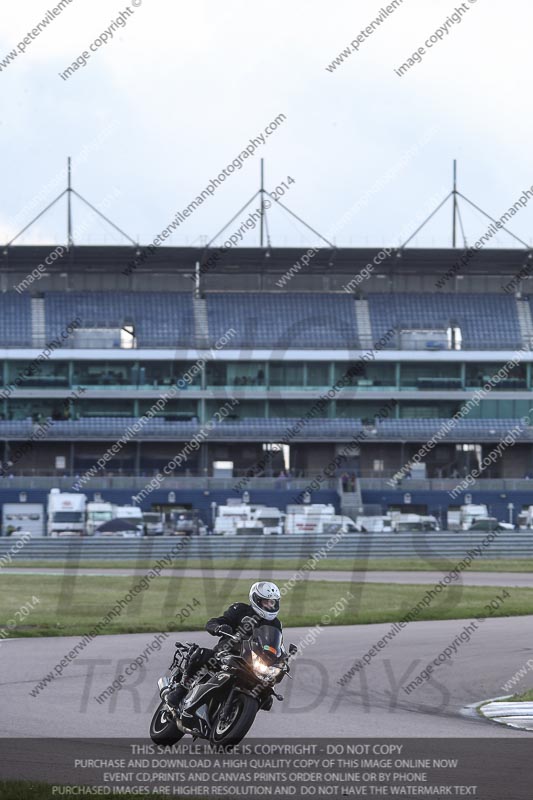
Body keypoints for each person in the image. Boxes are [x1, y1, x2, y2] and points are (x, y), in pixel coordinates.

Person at [166, 581, 282, 708]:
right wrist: (218, 627)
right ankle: (182, 689)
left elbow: (276, 644)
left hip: (251, 662)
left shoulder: (275, 624)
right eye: (266, 602)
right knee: (201, 655)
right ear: (256, 600)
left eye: (273, 602)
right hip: (226, 653)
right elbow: (216, 621)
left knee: (267, 699)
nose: (270, 605)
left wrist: (281, 659)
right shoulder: (240, 609)